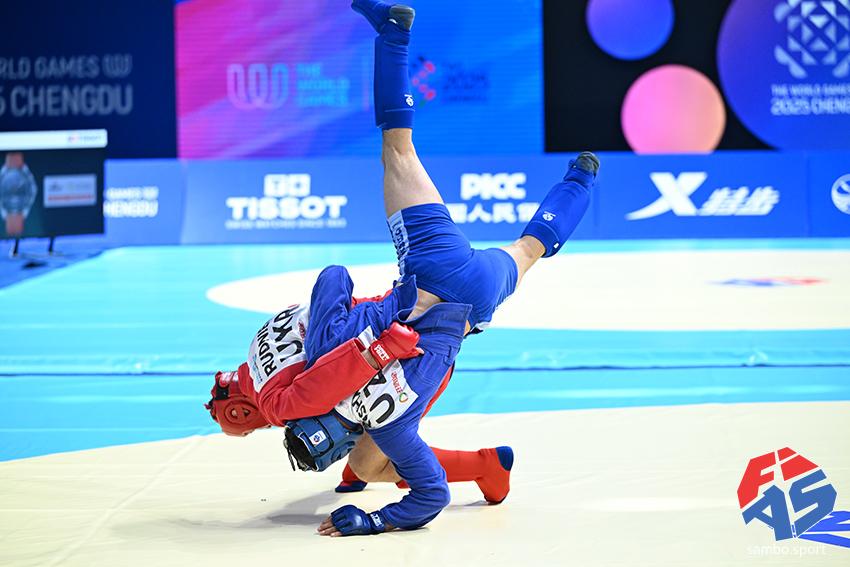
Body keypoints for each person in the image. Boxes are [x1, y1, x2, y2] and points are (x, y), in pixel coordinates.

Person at [282, 0, 599, 537]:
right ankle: (393, 34)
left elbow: (431, 494)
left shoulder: (392, 425)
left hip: (472, 302)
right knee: (398, 150)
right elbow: (334, 277)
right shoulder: (325, 358)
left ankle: (582, 179)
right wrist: (308, 344)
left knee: (529, 251)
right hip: (432, 266)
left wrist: (375, 521)